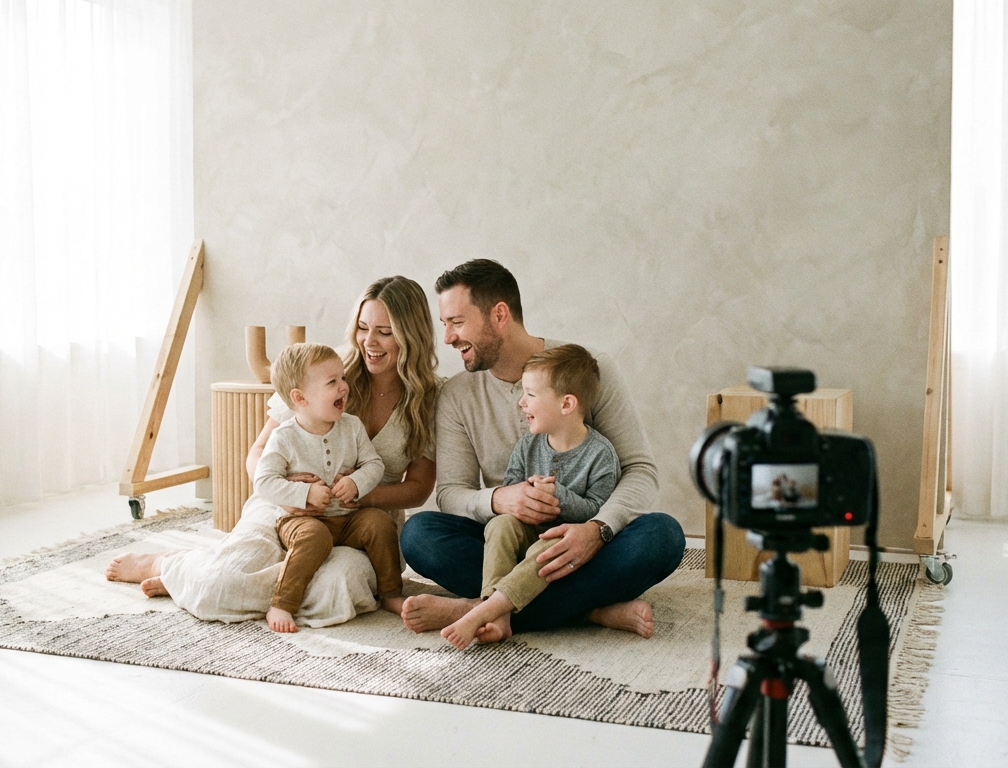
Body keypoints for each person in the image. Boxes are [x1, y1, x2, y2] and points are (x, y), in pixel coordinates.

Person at [106, 276, 439, 628]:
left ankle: (202, 577)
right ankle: (177, 566)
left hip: (362, 523)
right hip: (283, 507)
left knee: (336, 591)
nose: (369, 342)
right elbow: (258, 453)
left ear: (410, 334)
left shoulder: (428, 398)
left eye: (384, 332)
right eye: (362, 328)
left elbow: (419, 488)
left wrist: (361, 494)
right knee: (224, 584)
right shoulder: (322, 369)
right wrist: (290, 494)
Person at [400, 259, 686, 638]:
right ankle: (589, 611)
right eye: (445, 325)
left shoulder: (587, 367)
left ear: (499, 315)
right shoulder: (456, 395)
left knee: (663, 536)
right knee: (419, 534)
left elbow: (640, 470)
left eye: (456, 322)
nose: (448, 338)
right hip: (507, 542)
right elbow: (452, 493)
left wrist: (597, 530)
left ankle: (481, 608)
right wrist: (500, 499)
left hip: (584, 543)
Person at [440, 344, 620, 649]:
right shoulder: (527, 445)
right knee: (497, 526)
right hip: (525, 535)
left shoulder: (600, 454)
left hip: (570, 547)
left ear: (566, 404)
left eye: (530, 395)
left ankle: (484, 610)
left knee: (655, 535)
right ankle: (497, 612)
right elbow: (512, 490)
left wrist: (558, 496)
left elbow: (598, 511)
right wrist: (524, 494)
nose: (521, 402)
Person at [254, 342, 401, 632]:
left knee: (380, 523)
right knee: (314, 536)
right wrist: (305, 494)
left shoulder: (352, 426)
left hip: (348, 519)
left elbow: (374, 464)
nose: (344, 387)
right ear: (300, 397)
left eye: (342, 378)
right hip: (301, 520)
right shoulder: (284, 437)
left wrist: (356, 483)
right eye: (332, 382)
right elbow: (263, 481)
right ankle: (282, 604)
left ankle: (391, 593)